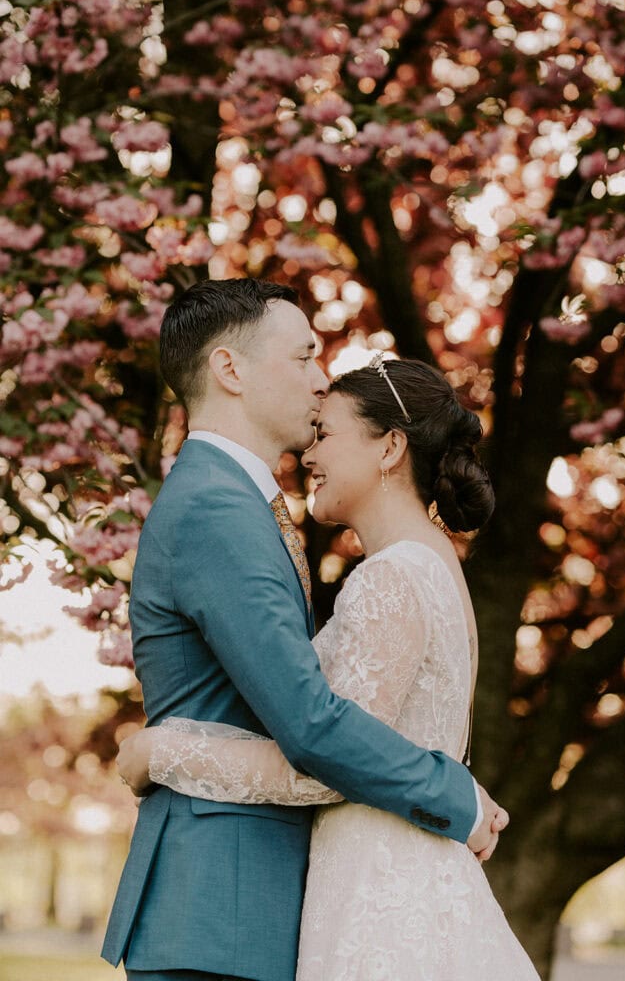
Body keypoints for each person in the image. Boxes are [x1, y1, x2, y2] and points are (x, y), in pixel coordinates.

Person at [102, 278, 506, 981]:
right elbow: (311, 726)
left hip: (269, 904)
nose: (319, 383)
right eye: (304, 358)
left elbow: (312, 723)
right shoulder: (216, 510)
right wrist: (453, 792)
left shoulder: (252, 509)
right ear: (230, 370)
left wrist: (159, 749)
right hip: (220, 906)